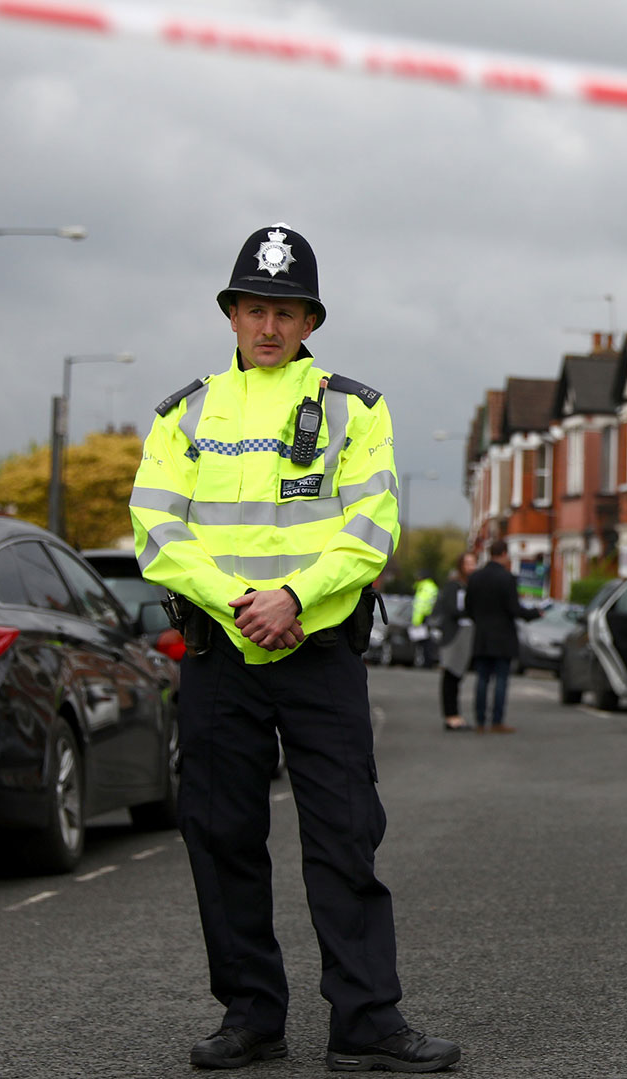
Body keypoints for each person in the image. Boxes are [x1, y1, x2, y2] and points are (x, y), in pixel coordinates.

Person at [130, 223, 459, 1073]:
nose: (268, 325)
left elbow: (369, 527)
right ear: (231, 314)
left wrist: (296, 600)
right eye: (253, 307)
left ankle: (366, 1020)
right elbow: (158, 529)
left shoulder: (357, 408)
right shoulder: (184, 413)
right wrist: (242, 604)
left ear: (310, 320)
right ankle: (251, 1015)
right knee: (221, 834)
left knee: (346, 834)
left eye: (285, 310)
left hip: (315, 652)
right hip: (221, 653)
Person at [463, 539, 535, 732]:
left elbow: (468, 607)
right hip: (503, 637)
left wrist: (479, 620)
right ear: (504, 554)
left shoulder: (475, 578)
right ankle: (497, 721)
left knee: (482, 679)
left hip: (482, 636)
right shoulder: (507, 578)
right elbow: (514, 609)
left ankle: (479, 721)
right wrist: (535, 614)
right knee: (501, 680)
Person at [436, 549, 481, 730]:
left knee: (457, 675)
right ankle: (451, 716)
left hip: (465, 634)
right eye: (468, 563)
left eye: (473, 563)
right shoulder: (454, 586)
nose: (471, 567)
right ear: (461, 566)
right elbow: (453, 609)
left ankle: (455, 714)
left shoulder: (470, 584)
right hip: (454, 635)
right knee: (450, 675)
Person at [410, 574, 439, 668]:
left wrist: (417, 621)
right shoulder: (430, 587)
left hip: (424, 618)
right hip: (427, 618)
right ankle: (427, 662)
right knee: (426, 642)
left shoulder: (424, 588)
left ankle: (427, 662)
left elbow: (421, 606)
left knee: (424, 642)